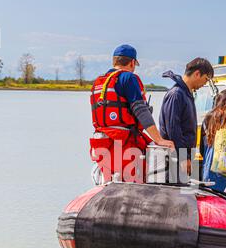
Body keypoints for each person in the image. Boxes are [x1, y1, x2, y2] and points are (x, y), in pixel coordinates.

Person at [90, 44, 174, 182]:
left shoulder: (98, 83)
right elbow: (141, 110)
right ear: (132, 62)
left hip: (102, 145)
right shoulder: (128, 78)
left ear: (114, 61)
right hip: (125, 145)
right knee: (160, 159)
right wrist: (159, 139)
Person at [159, 58, 214, 182]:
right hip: (174, 159)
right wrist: (183, 157)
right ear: (197, 74)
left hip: (183, 157)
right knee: (174, 197)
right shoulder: (177, 94)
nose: (205, 84)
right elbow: (173, 129)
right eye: (205, 79)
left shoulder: (186, 94)